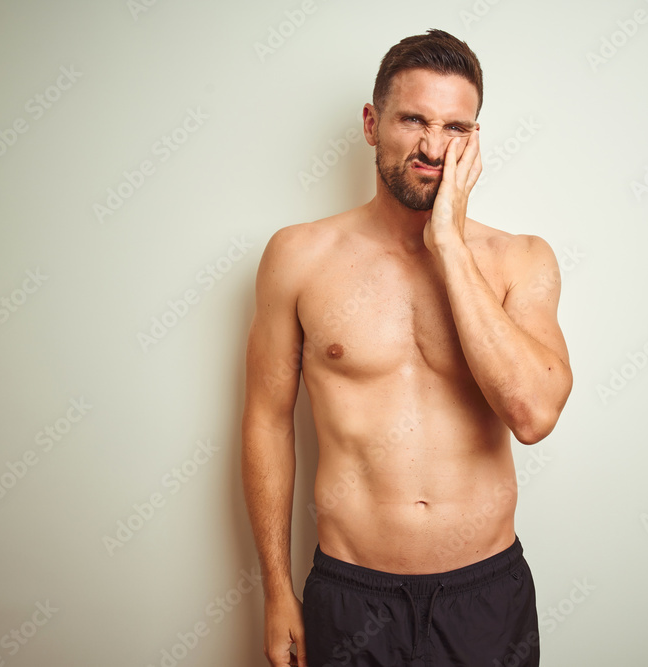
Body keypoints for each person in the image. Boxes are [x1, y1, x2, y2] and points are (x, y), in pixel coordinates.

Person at [241, 28, 572, 667]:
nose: (432, 146)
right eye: (413, 120)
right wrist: (276, 590)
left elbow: (533, 416)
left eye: (455, 127)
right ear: (372, 124)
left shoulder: (521, 260)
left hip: (485, 595)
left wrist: (448, 243)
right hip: (350, 593)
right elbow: (266, 423)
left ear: (473, 140)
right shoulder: (298, 257)